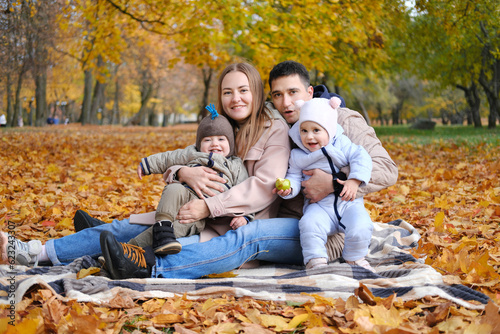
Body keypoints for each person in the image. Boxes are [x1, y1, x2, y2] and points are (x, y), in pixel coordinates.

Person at [2, 60, 397, 279]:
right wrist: (181, 174)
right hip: (236, 214)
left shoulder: (338, 121)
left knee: (245, 237)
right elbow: (200, 158)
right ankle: (34, 250)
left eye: (293, 92)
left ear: (310, 94)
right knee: (137, 225)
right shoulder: (241, 127)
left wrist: (336, 183)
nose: (285, 100)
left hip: (318, 228)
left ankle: (148, 266)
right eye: (278, 94)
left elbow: (384, 169)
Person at [1, 62, 291, 270]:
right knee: (126, 226)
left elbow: (265, 187)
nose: (235, 98)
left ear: (256, 91)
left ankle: (103, 261)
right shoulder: (222, 126)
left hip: (228, 225)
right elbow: (186, 157)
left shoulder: (272, 129)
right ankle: (31, 251)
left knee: (150, 244)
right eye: (228, 92)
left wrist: (209, 206)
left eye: (243, 90)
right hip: (190, 210)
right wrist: (182, 172)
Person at [129, 107, 253, 255]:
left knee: (180, 226)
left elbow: (244, 191)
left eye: (221, 139)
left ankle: (129, 248)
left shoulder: (236, 165)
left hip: (202, 214)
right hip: (183, 195)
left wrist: (244, 216)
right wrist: (147, 164)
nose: (215, 144)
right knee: (173, 189)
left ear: (230, 143)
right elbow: (169, 158)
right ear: (199, 144)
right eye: (208, 140)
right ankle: (163, 223)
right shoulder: (192, 153)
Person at [274, 97, 373, 271]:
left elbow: (361, 156)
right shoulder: (298, 155)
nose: (309, 136)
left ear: (329, 129)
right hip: (319, 206)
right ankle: (316, 261)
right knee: (308, 225)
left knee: (361, 225)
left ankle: (354, 258)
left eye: (316, 130)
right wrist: (289, 188)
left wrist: (354, 180)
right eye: (304, 130)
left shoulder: (342, 144)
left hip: (348, 202)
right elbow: (295, 176)